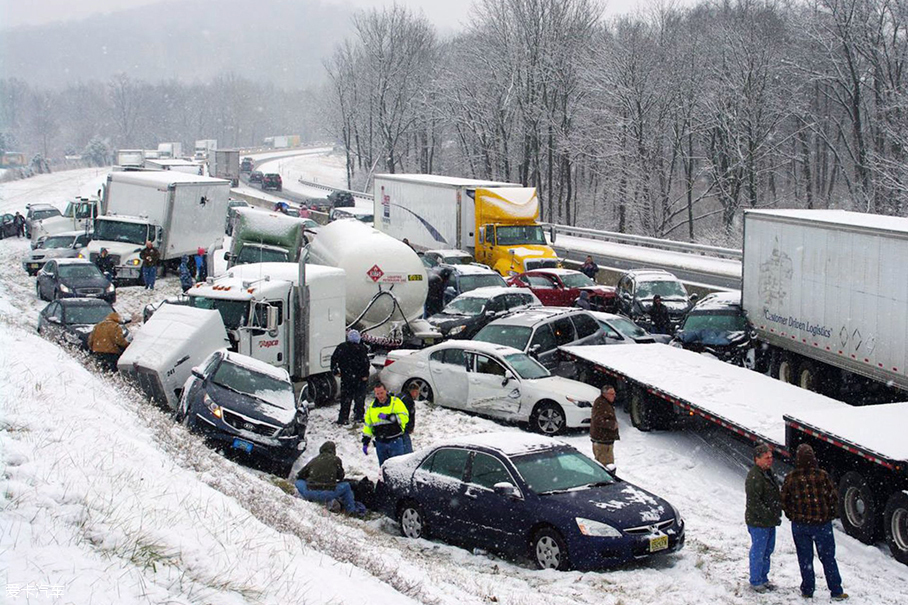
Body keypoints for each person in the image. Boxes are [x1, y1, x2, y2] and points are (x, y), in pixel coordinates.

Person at [781, 444, 848, 600]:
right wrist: (829, 515)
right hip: (822, 525)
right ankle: (836, 590)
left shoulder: (791, 478)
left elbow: (784, 501)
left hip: (800, 525)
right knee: (828, 559)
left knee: (805, 558)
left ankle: (807, 589)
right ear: (813, 459)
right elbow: (833, 498)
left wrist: (793, 515)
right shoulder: (822, 476)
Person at [745, 443, 782, 593]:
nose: (770, 460)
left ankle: (763, 578)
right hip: (759, 522)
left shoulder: (767, 473)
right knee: (759, 551)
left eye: (771, 457)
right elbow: (754, 502)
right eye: (766, 458)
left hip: (769, 521)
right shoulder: (754, 477)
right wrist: (768, 515)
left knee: (767, 550)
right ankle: (755, 580)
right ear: (757, 459)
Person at [295, 441, 364, 516]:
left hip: (310, 492)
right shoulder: (336, 460)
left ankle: (300, 499)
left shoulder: (314, 460)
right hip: (327, 494)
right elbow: (341, 477)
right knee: (346, 486)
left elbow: (300, 475)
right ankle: (350, 511)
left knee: (298, 482)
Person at [362, 382, 410, 466]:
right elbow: (368, 426)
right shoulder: (372, 407)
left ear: (386, 391)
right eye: (377, 394)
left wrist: (390, 417)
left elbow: (405, 417)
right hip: (380, 443)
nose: (380, 396)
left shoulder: (395, 402)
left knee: (398, 467)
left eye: (381, 393)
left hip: (395, 440)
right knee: (383, 468)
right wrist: (366, 441)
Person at [331, 329, 370, 425]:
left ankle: (343, 418)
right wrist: (365, 375)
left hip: (346, 377)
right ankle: (358, 416)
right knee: (359, 399)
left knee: (345, 399)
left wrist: (335, 371)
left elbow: (333, 359)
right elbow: (366, 363)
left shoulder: (341, 347)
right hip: (360, 379)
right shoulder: (362, 348)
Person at [590, 384, 619, 470]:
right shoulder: (601, 404)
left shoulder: (605, 403)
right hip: (602, 443)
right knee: (606, 467)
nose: (614, 396)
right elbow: (598, 420)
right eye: (612, 394)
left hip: (604, 441)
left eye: (614, 393)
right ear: (605, 394)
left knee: (603, 466)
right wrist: (612, 425)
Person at [398, 382, 419, 453]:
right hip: (402, 427)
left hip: (394, 425)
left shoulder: (400, 395)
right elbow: (410, 416)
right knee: (407, 449)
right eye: (417, 392)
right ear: (413, 391)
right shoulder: (408, 400)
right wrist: (410, 428)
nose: (417, 395)